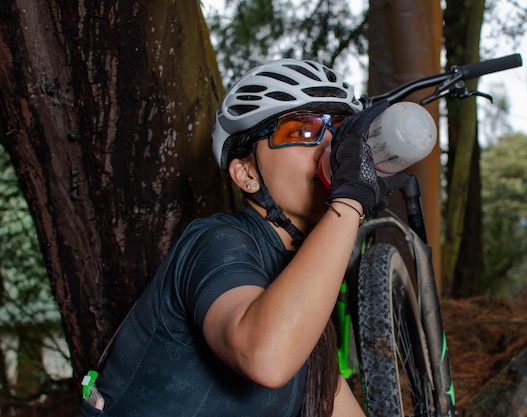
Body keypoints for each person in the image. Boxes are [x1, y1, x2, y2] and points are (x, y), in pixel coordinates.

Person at [78, 58, 408, 417]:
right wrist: (351, 199)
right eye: (302, 130)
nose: (332, 147)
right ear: (246, 174)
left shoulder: (304, 305)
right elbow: (265, 355)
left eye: (341, 130)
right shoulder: (215, 241)